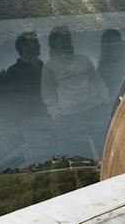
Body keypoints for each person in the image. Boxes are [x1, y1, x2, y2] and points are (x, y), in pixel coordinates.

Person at [41, 26, 110, 159]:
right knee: (82, 157)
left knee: (106, 149)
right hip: (70, 115)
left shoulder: (83, 60)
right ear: (54, 44)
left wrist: (106, 100)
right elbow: (48, 93)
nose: (65, 43)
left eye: (67, 39)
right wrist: (55, 114)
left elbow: (98, 81)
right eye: (61, 40)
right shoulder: (49, 67)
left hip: (95, 109)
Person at [98, 29, 125, 103]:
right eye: (114, 42)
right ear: (107, 45)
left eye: (119, 41)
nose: (117, 44)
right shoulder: (104, 66)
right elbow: (107, 88)